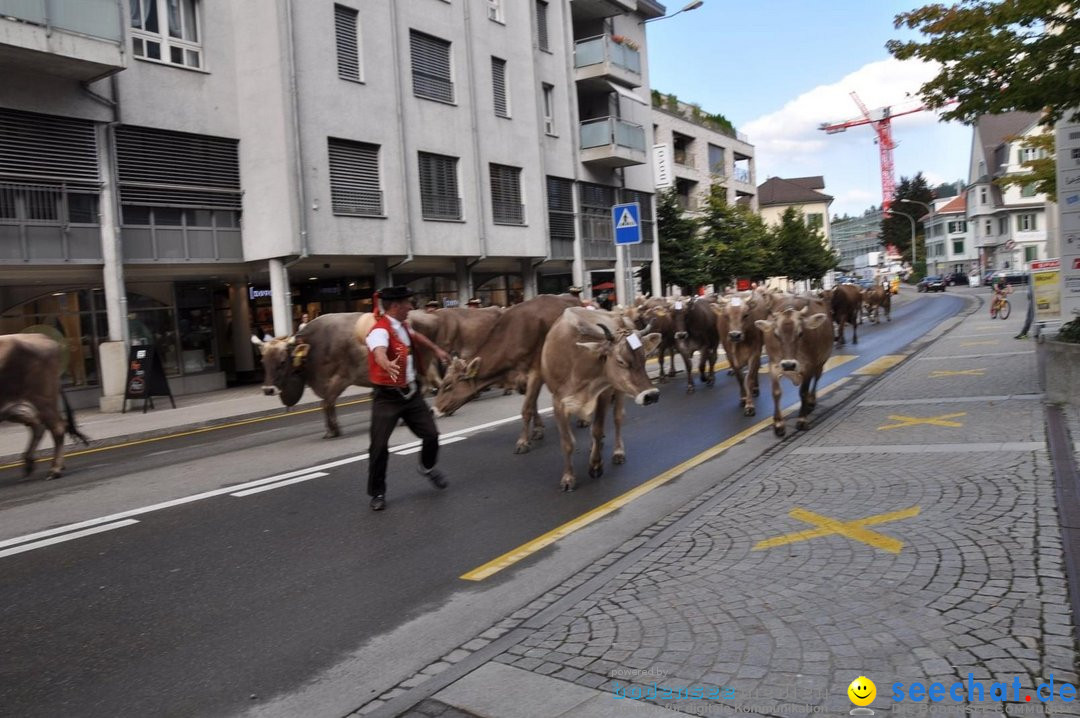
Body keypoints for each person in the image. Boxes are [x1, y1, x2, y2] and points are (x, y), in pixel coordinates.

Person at [366, 286, 452, 511]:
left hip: (411, 394)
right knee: (378, 447)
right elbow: (379, 351)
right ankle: (377, 492)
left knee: (432, 435)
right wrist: (386, 364)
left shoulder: (403, 326)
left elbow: (416, 336)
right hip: (387, 397)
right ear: (395, 306)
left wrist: (437, 350)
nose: (411, 307)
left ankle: (426, 467)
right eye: (408, 303)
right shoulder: (379, 331)